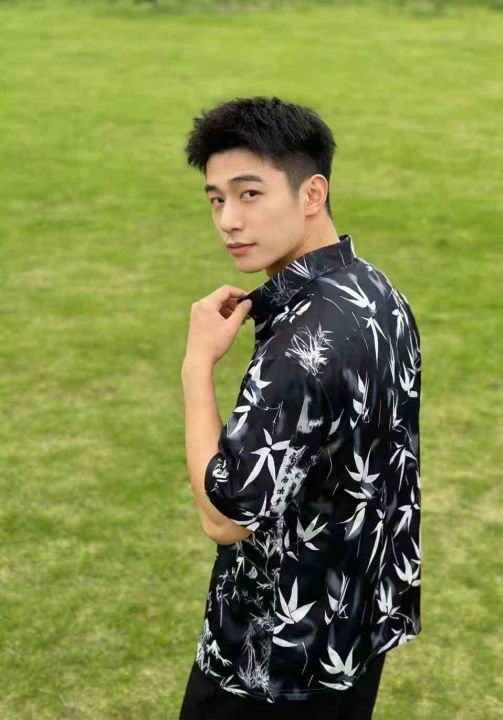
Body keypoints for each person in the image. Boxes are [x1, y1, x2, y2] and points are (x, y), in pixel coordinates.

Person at [179, 96, 422, 718]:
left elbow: (225, 519)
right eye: (216, 199)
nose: (229, 220)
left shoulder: (298, 349)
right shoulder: (378, 291)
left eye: (249, 194)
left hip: (270, 665)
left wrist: (197, 364)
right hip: (354, 633)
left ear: (312, 194)